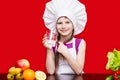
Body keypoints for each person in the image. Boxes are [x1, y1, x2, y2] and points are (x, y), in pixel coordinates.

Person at [42, 0, 87, 75]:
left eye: (67, 22)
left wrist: (66, 53)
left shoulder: (80, 43)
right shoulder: (53, 43)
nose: (63, 26)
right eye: (59, 23)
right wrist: (49, 48)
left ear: (73, 25)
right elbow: (50, 71)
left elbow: (79, 71)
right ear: (55, 26)